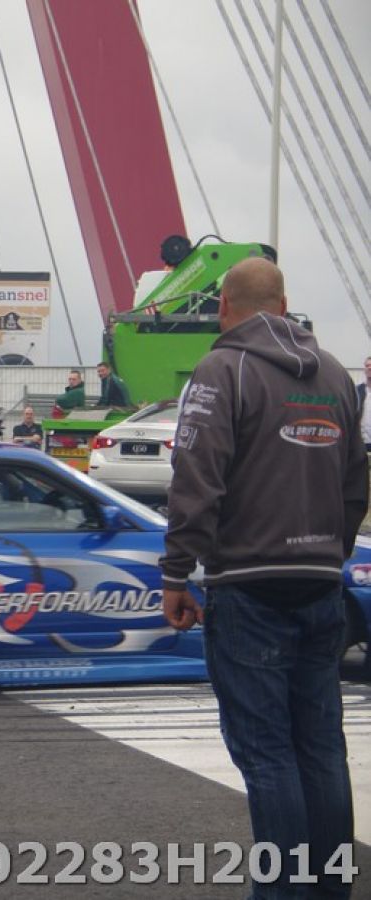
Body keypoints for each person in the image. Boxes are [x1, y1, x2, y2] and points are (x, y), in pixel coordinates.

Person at [161, 258, 366, 900]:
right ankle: (328, 888)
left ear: (224, 307)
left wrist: (176, 572)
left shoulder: (223, 370)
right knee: (321, 748)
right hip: (321, 584)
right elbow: (355, 483)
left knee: (268, 752)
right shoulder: (335, 374)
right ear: (282, 304)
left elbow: (197, 478)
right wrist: (330, 552)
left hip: (248, 585)